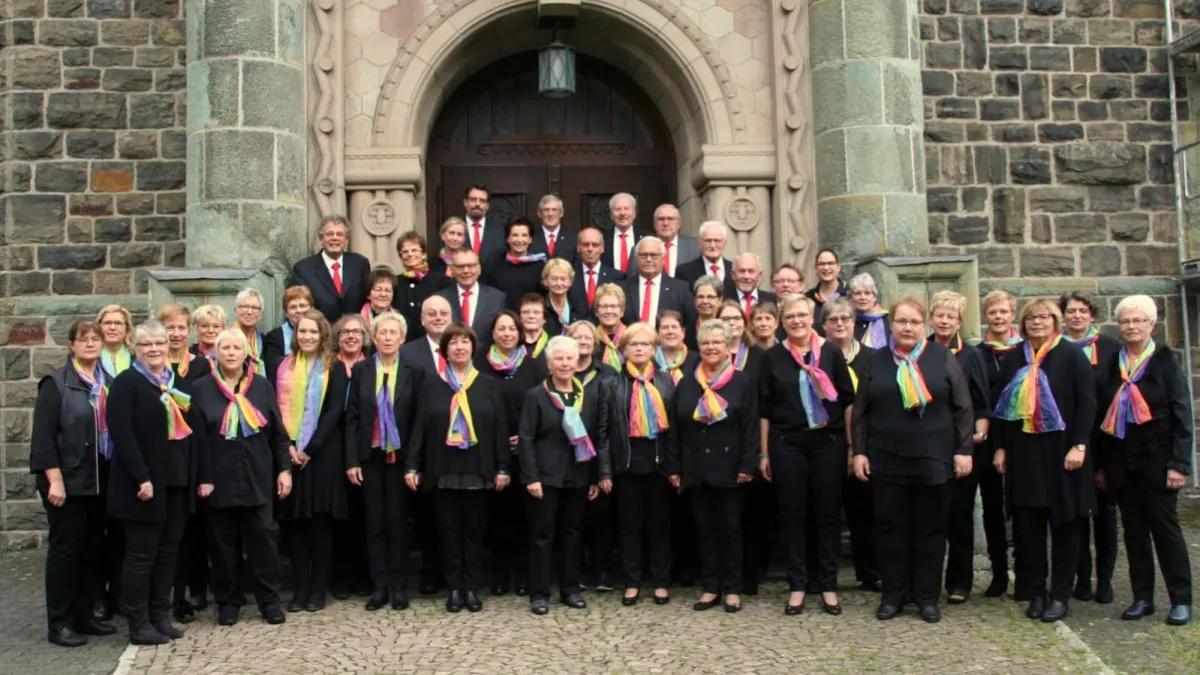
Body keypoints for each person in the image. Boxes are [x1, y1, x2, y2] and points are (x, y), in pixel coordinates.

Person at [851, 296, 974, 623]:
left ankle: (926, 596)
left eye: (914, 322)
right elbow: (861, 411)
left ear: (925, 325)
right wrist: (859, 451)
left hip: (933, 460)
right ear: (891, 325)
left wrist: (964, 451)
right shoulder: (875, 361)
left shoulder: (941, 357)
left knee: (930, 530)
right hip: (887, 460)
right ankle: (893, 594)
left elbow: (963, 407)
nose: (907, 327)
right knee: (891, 529)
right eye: (901, 321)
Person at [992, 298, 1096, 623]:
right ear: (1023, 324)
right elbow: (1002, 408)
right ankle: (1035, 591)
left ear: (1055, 321)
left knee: (1064, 526)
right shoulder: (1012, 359)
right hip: (1025, 454)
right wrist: (1000, 448)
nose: (1037, 322)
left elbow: (1087, 403)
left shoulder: (1071, 355)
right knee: (1029, 528)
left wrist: (1079, 445)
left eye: (1044, 317)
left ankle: (1059, 595)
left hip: (1064, 453)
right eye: (1031, 318)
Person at [1096, 295, 1193, 627]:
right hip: (1122, 462)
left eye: (1138, 321)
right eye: (1125, 321)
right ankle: (1142, 598)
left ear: (1152, 325)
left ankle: (1180, 599)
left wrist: (1180, 464)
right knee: (1134, 532)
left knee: (1166, 531)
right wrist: (1102, 466)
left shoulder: (1165, 362)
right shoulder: (1113, 363)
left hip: (1158, 461)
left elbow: (1182, 414)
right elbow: (1101, 416)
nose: (1131, 327)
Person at [106, 320, 201, 645]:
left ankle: (161, 615)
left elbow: (191, 433)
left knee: (167, 554)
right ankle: (138, 621)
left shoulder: (175, 384)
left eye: (160, 343)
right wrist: (141, 477)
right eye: (147, 344)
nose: (155, 349)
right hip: (143, 486)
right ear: (136, 347)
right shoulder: (126, 384)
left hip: (175, 482)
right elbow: (123, 435)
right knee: (141, 555)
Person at [760, 295, 855, 616]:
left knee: (827, 514)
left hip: (828, 441)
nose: (797, 321)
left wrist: (853, 447)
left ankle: (828, 585)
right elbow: (765, 410)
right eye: (790, 317)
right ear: (782, 321)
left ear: (812, 316)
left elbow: (847, 400)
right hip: (787, 443)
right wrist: (763, 453)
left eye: (802, 315)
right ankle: (798, 585)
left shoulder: (830, 352)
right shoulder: (772, 357)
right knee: (793, 514)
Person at [191, 328, 291, 627]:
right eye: (226, 348)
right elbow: (197, 440)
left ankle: (269, 601)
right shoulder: (200, 388)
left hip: (257, 476)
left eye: (237, 347)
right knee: (223, 546)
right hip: (218, 480)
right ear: (216, 353)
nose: (231, 353)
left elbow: (277, 433)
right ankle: (228, 602)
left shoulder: (261, 386)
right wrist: (203, 477)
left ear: (246, 352)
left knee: (264, 542)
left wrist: (284, 469)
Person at [406, 324, 509, 613]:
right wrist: (412, 465)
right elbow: (420, 430)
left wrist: (503, 466)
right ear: (446, 350)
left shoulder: (488, 385)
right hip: (443, 469)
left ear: (473, 348)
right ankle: (454, 589)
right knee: (448, 532)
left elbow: (500, 429)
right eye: (454, 343)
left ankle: (471, 587)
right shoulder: (431, 385)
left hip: (479, 468)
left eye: (465, 342)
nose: (460, 347)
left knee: (474, 533)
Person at [30, 320, 118, 647]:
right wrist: (54, 479)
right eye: (84, 339)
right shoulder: (56, 384)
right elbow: (42, 438)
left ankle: (85, 615)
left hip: (99, 479)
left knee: (93, 550)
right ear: (72, 345)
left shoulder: (106, 381)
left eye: (96, 339)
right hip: (68, 480)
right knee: (66, 552)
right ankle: (60, 623)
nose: (91, 344)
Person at [668, 320, 758, 613]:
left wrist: (748, 464)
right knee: (704, 530)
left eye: (717, 342)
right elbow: (676, 428)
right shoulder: (687, 382)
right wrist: (675, 467)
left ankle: (732, 588)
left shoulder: (742, 382)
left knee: (730, 529)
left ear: (728, 346)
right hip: (696, 468)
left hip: (731, 467)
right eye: (705, 343)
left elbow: (750, 427)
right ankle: (710, 587)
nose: (711, 348)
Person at [519, 336, 612, 615]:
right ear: (549, 363)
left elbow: (598, 435)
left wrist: (595, 476)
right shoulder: (536, 395)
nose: (564, 363)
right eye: (558, 358)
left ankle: (570, 589)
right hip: (545, 477)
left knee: (573, 533)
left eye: (569, 358)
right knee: (542, 535)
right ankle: (539, 593)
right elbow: (525, 438)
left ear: (577, 362)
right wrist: (531, 477)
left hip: (579, 475)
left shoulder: (589, 395)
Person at [345, 312, 422, 612]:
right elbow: (352, 418)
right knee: (374, 523)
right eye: (382, 333)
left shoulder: (414, 372)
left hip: (401, 460)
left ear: (402, 338)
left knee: (398, 523)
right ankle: (379, 587)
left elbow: (419, 422)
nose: (388, 337)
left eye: (393, 333)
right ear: (373, 338)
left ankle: (400, 586)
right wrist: (352, 460)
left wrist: (415, 463)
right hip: (371, 457)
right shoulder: (363, 370)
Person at [275, 310, 348, 614]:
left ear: (323, 335)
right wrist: (289, 446)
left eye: (313, 332)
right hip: (290, 456)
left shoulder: (335, 368)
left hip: (322, 456)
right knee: (296, 526)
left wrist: (309, 449)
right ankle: (300, 587)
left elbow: (333, 413)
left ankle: (318, 588)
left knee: (319, 525)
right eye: (302, 331)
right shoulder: (284, 366)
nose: (306, 337)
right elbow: (275, 409)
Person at [477, 311, 549, 596]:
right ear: (492, 333)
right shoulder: (479, 365)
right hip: (491, 452)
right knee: (497, 517)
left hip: (526, 454)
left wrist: (526, 437)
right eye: (501, 329)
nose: (506, 334)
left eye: (511, 329)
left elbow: (545, 404)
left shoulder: (534, 367)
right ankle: (499, 575)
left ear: (519, 333)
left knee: (526, 517)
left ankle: (523, 575)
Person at [928, 291, 993, 605]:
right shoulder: (918, 350)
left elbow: (981, 405)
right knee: (929, 518)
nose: (944, 320)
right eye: (939, 314)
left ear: (959, 322)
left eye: (950, 316)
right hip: (926, 446)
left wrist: (974, 440)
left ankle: (958, 582)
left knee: (960, 516)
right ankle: (924, 580)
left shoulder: (971, 356)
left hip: (962, 445)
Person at [1060, 291, 1121, 604]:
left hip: (1103, 442)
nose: (1077, 316)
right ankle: (1081, 578)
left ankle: (1105, 580)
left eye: (1082, 311)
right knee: (1078, 514)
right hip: (1070, 443)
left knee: (1105, 515)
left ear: (1092, 315)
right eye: (1071, 311)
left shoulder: (1111, 350)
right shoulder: (1056, 349)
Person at [609, 323, 676, 606]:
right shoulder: (613, 383)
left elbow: (675, 428)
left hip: (658, 463)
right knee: (629, 525)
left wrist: (674, 466)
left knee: (659, 525)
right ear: (624, 350)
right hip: (626, 464)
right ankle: (632, 581)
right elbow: (604, 429)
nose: (639, 349)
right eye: (633, 345)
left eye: (645, 344)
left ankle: (660, 582)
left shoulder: (665, 381)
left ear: (654, 349)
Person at [822, 297, 880, 591]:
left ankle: (870, 572)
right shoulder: (817, 357)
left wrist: (858, 446)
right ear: (824, 325)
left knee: (865, 511)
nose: (840, 324)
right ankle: (826, 575)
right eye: (833, 320)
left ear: (855, 323)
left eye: (845, 318)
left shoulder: (872, 358)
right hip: (829, 443)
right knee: (829, 511)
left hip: (865, 443)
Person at [173, 305, 225, 621]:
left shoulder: (203, 367)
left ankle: (205, 586)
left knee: (209, 525)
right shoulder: (173, 363)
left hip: (206, 446)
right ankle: (184, 590)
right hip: (177, 452)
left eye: (214, 325)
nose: (209, 330)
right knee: (184, 529)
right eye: (203, 325)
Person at [975, 289, 1021, 598]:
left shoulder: (1026, 352)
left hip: (1020, 437)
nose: (999, 317)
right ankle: (999, 573)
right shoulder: (978, 353)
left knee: (1021, 505)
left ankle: (1026, 570)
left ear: (1012, 315)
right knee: (992, 507)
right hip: (988, 438)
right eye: (993, 312)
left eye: (1003, 311)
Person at [94, 303, 134, 621]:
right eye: (107, 323)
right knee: (97, 531)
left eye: (118, 323)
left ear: (126, 329)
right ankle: (98, 595)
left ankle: (120, 593)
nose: (112, 328)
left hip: (126, 452)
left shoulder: (133, 361)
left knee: (122, 530)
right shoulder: (90, 362)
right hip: (98, 452)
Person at [330, 313, 371, 598]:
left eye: (356, 332)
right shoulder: (327, 365)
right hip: (332, 445)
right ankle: (340, 577)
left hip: (362, 447)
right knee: (338, 517)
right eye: (345, 332)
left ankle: (363, 576)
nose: (351, 337)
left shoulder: (372, 366)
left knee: (362, 515)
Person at [290, 214, 371, 324]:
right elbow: (298, 306)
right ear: (321, 239)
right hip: (320, 335)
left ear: (346, 240)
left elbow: (367, 300)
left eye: (339, 234)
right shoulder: (303, 269)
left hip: (353, 334)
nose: (334, 238)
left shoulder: (360, 264)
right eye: (329, 234)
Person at [619, 237, 696, 329]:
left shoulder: (681, 289)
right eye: (643, 255)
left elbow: (690, 323)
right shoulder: (621, 289)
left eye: (654, 255)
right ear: (636, 259)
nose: (648, 259)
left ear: (663, 258)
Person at [437, 249, 505, 350]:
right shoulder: (440, 299)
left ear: (479, 269)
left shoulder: (497, 298)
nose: (466, 271)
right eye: (460, 266)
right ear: (452, 270)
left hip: (486, 361)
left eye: (471, 266)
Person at [485, 217, 549, 310]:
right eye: (515, 235)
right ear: (507, 239)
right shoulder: (496, 263)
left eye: (524, 235)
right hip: (504, 319)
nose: (519, 240)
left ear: (530, 239)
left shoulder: (541, 265)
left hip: (530, 319)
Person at [263, 285, 315, 384]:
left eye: (302, 306)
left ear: (312, 308)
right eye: (292, 307)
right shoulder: (275, 337)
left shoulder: (323, 333)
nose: (298, 310)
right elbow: (274, 374)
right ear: (286, 313)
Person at [399, 295, 454, 378]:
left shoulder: (467, 349)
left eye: (443, 313)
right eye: (432, 314)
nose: (438, 318)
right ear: (422, 320)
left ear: (451, 318)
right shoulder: (406, 353)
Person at [676, 221, 735, 297]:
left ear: (724, 244)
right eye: (708, 241)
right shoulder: (684, 272)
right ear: (699, 243)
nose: (712, 245)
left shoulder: (734, 270)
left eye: (717, 240)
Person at [571, 226, 621, 311]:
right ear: (578, 248)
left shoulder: (617, 277)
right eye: (585, 244)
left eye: (595, 245)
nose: (590, 249)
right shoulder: (570, 275)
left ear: (602, 248)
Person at [160, 304, 211, 384]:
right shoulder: (152, 363)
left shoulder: (202, 365)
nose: (176, 334)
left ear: (189, 330)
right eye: (170, 328)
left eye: (181, 328)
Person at [717, 299, 764, 381]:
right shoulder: (711, 352)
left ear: (744, 323)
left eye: (737, 318)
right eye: (726, 319)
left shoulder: (759, 355)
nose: (731, 322)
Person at [603, 192, 648, 275]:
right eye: (617, 209)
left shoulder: (647, 239)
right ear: (611, 215)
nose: (622, 213)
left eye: (626, 208)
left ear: (634, 213)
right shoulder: (602, 239)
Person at [462, 184, 506, 264]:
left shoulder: (500, 230)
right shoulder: (453, 230)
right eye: (473, 199)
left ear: (487, 206)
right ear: (465, 202)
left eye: (482, 201)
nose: (477, 204)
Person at [652, 203, 699, 276]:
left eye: (670, 219)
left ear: (679, 223)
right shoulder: (641, 248)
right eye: (661, 219)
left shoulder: (695, 246)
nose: (665, 223)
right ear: (654, 224)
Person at [530, 194, 577, 264]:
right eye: (546, 210)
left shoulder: (573, 237)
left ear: (561, 213)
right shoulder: (530, 237)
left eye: (554, 210)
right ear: (539, 213)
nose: (550, 214)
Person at [806, 248, 847, 327]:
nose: (826, 268)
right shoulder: (807, 298)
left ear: (838, 267)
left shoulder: (850, 295)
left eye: (830, 263)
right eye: (821, 264)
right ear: (816, 268)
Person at [849, 273, 890, 350]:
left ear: (874, 297)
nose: (863, 297)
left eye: (867, 293)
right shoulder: (847, 321)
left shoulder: (888, 320)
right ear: (851, 297)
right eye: (858, 293)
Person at [654, 310, 696, 384]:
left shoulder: (696, 360)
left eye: (674, 327)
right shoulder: (649, 360)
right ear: (657, 333)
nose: (670, 331)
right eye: (665, 327)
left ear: (683, 332)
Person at [232, 288, 268, 376]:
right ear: (235, 310)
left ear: (261, 314)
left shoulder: (266, 342)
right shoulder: (225, 339)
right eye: (245, 306)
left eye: (255, 308)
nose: (249, 312)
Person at [593, 283, 628, 372]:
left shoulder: (631, 338)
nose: (608, 311)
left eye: (613, 306)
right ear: (596, 311)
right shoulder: (590, 339)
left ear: (622, 311)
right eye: (604, 306)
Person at [731, 253, 776, 320]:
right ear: (733, 275)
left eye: (751, 271)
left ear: (760, 276)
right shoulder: (724, 299)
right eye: (742, 271)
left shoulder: (771, 299)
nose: (746, 276)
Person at [542, 258, 582, 334]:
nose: (559, 283)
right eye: (554, 279)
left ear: (570, 281)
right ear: (546, 281)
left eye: (563, 279)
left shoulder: (578, 307)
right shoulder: (540, 308)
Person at [429, 217, 469, 284]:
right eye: (451, 233)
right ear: (442, 235)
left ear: (464, 239)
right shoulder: (431, 263)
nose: (455, 238)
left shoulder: (471, 260)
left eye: (459, 234)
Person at [518, 293, 551, 359]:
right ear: (519, 317)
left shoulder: (553, 345)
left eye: (536, 312)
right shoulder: (510, 343)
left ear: (544, 318)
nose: (531, 316)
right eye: (525, 312)